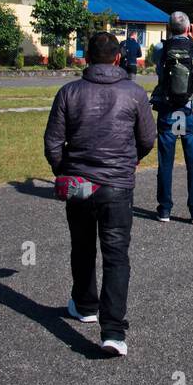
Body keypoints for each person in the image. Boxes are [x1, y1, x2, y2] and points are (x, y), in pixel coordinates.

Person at [44, 31, 155, 356]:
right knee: (116, 255)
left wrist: (64, 170)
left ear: (86, 57)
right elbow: (147, 138)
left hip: (79, 183)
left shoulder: (69, 92)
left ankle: (85, 303)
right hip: (117, 185)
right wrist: (128, 162)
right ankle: (113, 331)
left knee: (82, 247)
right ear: (119, 58)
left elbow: (52, 142)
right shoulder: (134, 93)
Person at [150, 12, 193, 223]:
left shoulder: (160, 49)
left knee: (165, 162)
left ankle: (164, 209)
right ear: (188, 28)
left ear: (169, 28)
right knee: (192, 163)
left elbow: (153, 61)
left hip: (168, 111)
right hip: (189, 110)